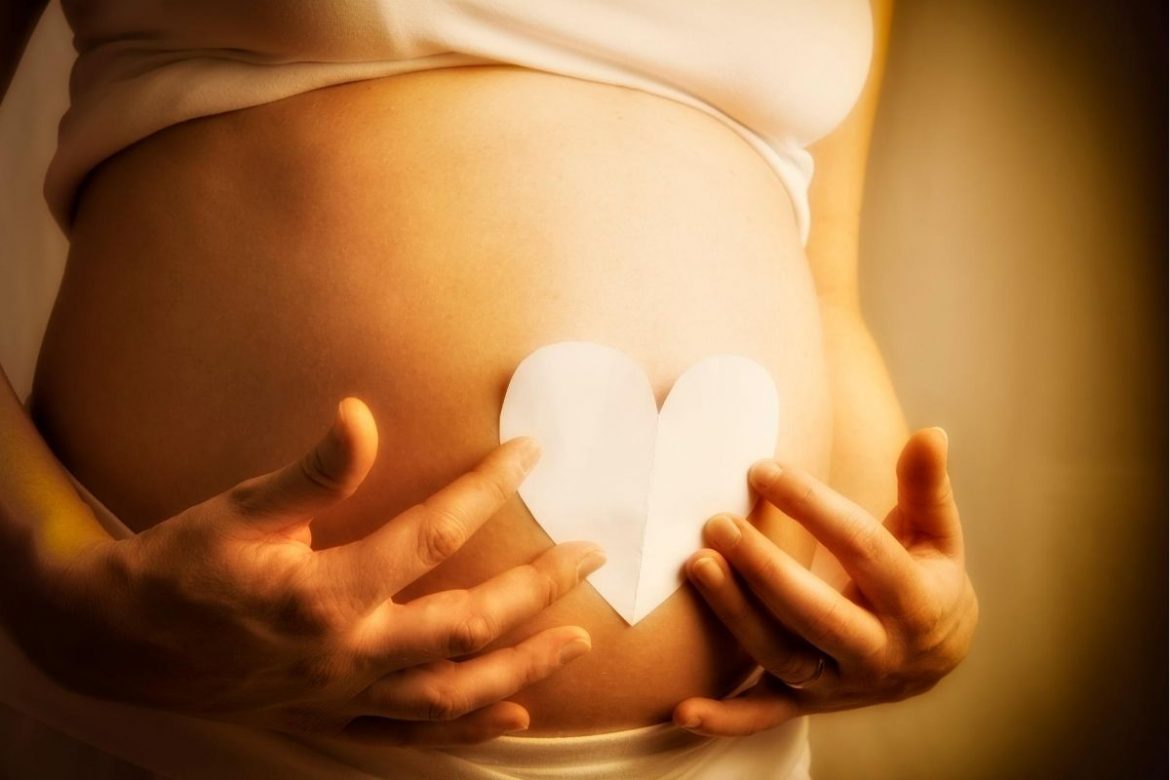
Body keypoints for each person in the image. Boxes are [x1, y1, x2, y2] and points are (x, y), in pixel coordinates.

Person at [0, 0, 978, 777]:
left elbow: (826, 278)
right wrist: (49, 577)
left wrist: (897, 591)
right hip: (201, 718)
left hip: (719, 755)